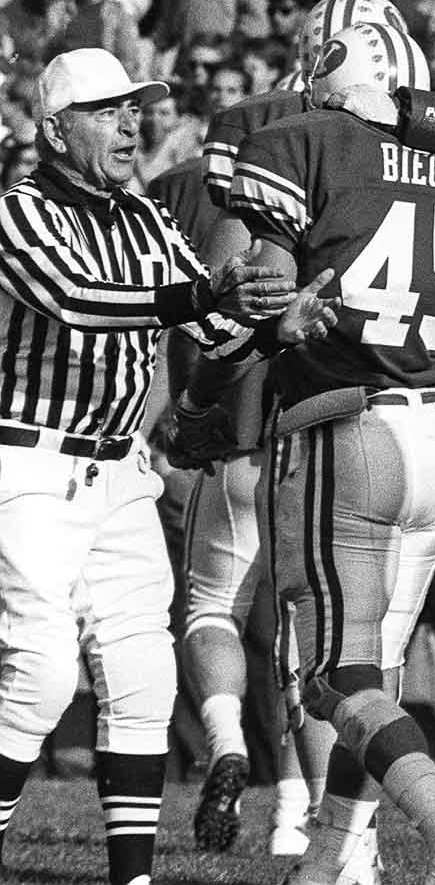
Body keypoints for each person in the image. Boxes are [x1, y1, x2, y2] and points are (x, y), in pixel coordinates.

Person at [185, 22, 435, 885]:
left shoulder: (304, 148)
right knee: (381, 672)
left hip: (345, 427)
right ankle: (336, 855)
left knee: (332, 676)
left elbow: (257, 304)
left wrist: (198, 399)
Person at [0, 48, 329, 885]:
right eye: (106, 110)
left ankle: (133, 878)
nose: (127, 123)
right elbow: (77, 297)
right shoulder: (21, 210)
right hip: (28, 464)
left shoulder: (146, 215)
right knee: (40, 673)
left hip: (118, 471)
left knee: (144, 672)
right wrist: (206, 300)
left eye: (134, 108)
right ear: (53, 128)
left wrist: (274, 323)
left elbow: (212, 326)